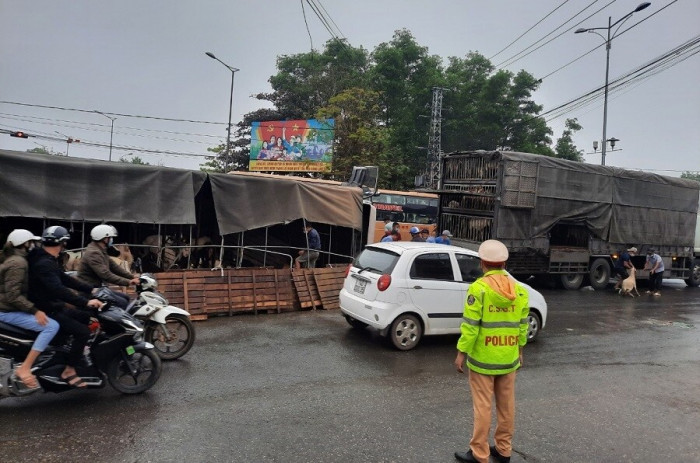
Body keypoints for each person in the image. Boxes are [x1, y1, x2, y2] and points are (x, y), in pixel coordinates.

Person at [454, 240, 529, 463]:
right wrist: (519, 350)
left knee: (483, 407)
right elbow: (522, 326)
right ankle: (504, 450)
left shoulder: (478, 289)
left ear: (482, 263)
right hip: (508, 359)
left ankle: (480, 453)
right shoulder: (519, 291)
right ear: (503, 263)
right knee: (506, 406)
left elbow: (470, 326)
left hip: (482, 362)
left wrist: (461, 353)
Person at [28, 226, 103, 388]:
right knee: (82, 332)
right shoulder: (44, 264)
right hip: (48, 309)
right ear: (61, 243)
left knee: (85, 317)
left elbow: (66, 280)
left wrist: (91, 290)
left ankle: (75, 354)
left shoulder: (47, 259)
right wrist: (85, 301)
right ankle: (68, 370)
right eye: (64, 242)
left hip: (53, 305)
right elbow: (58, 289)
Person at [0, 230, 60, 389]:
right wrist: (35, 311)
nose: (33, 245)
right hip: (6, 312)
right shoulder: (18, 263)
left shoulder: (14, 259)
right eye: (31, 242)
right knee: (51, 326)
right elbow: (13, 296)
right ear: (25, 244)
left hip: (8, 308)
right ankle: (25, 367)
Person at [77, 224, 140, 308]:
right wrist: (128, 282)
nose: (112, 240)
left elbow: (114, 267)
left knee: (125, 297)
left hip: (98, 288)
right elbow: (105, 274)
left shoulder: (101, 250)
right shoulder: (94, 253)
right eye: (110, 237)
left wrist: (132, 276)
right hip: (89, 290)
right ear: (104, 239)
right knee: (122, 303)